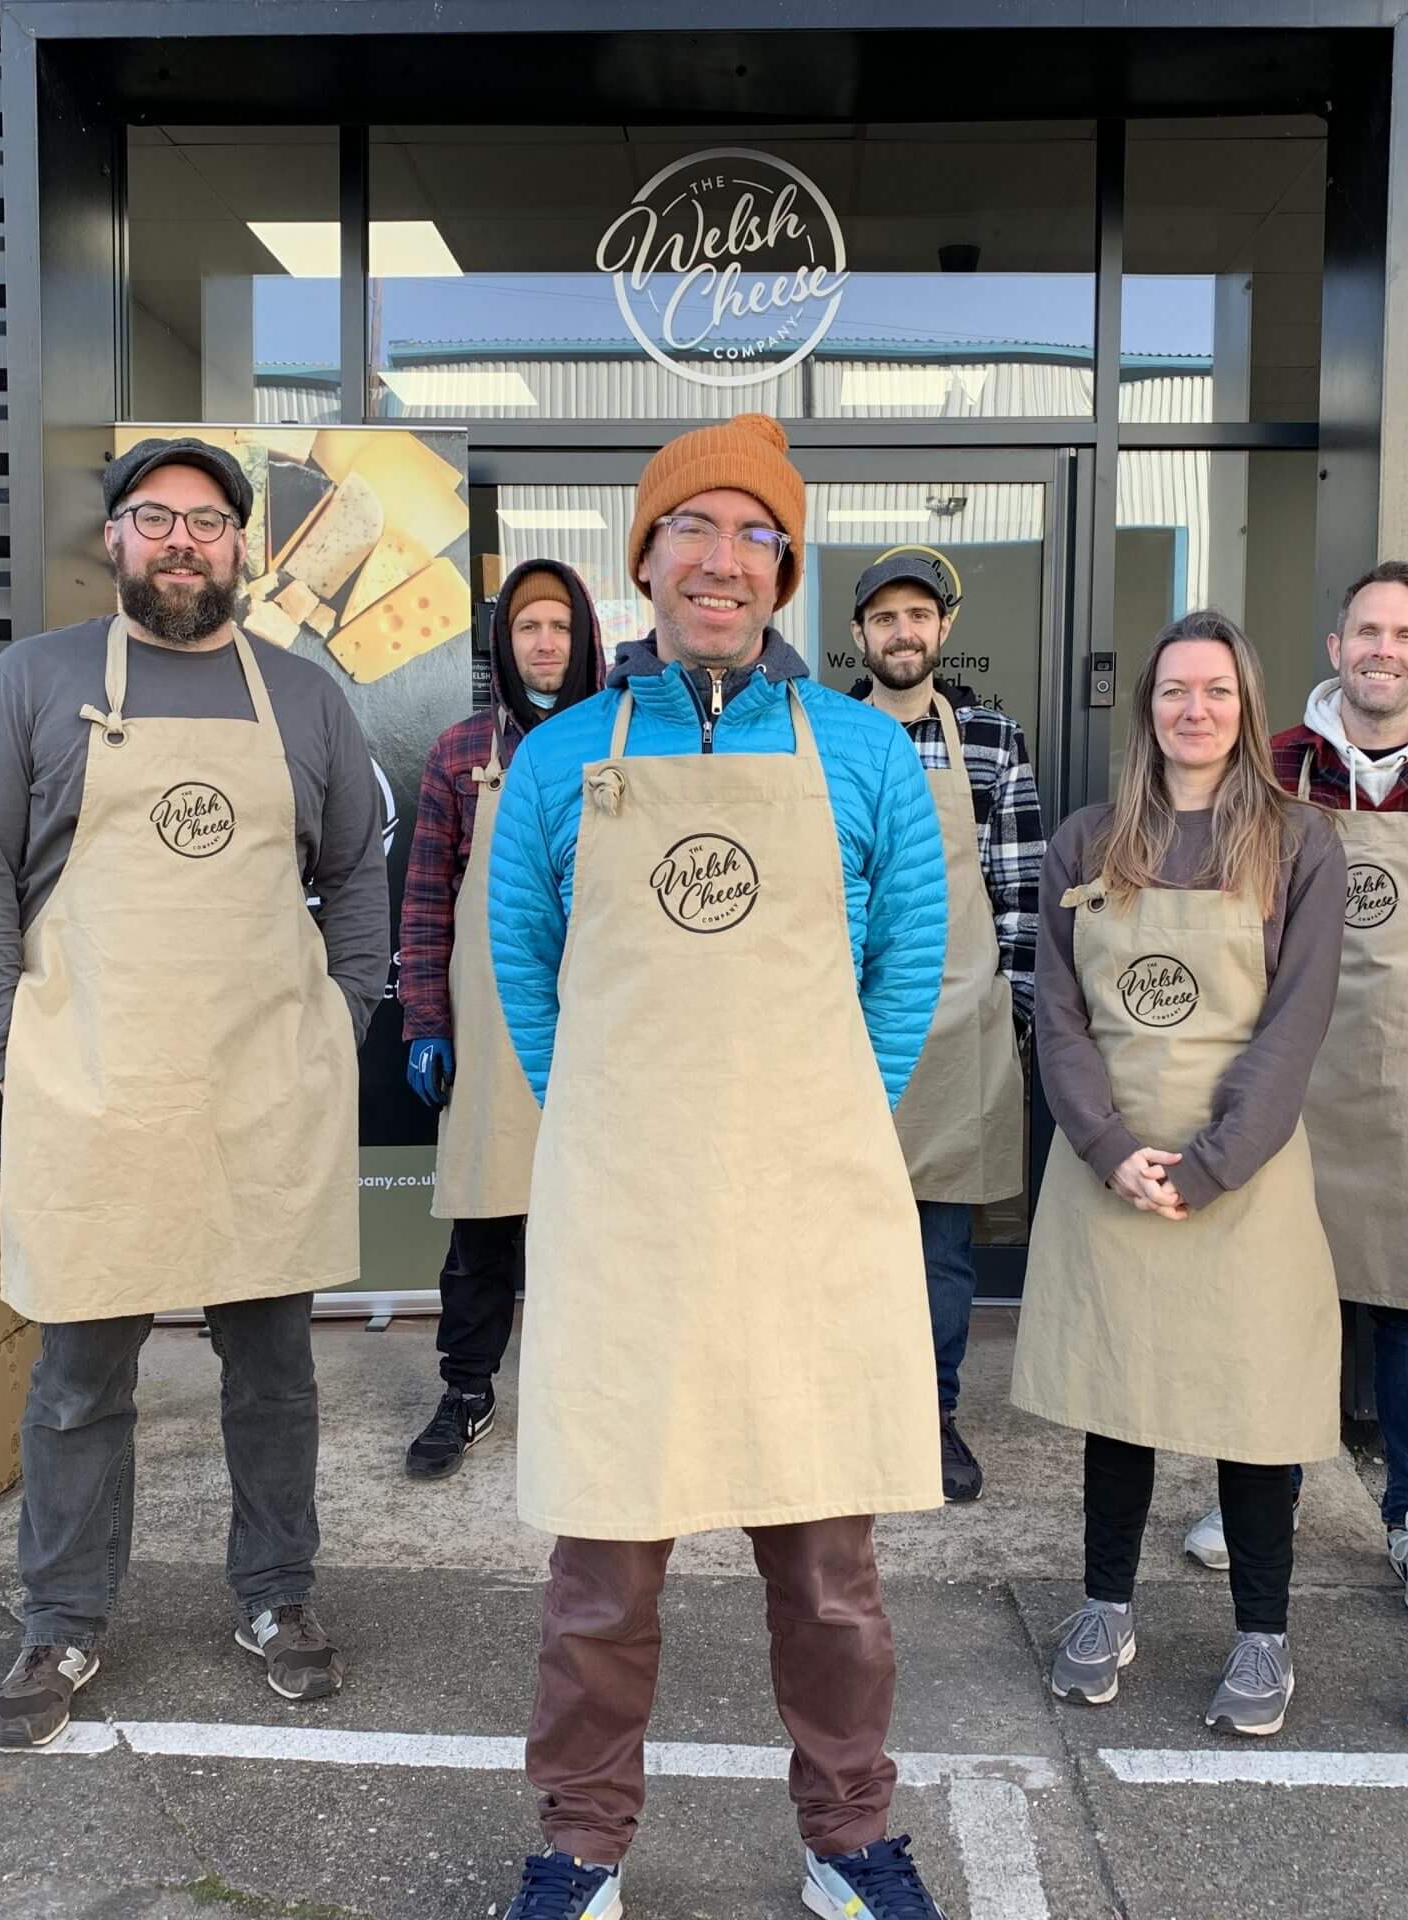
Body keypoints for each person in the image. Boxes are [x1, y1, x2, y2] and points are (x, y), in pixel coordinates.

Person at [483, 415, 955, 1919]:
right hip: (626, 1219)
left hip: (806, 1208)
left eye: (757, 535)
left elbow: (909, 959)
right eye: (694, 529)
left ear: (784, 574)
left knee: (828, 1573)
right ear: (646, 558)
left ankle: (848, 1836)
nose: (723, 560)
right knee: (602, 1575)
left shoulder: (862, 753)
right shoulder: (562, 756)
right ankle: (580, 1846)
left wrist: (832, 1115)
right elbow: (524, 962)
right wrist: (606, 1119)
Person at [0, 437, 390, 1749]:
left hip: (262, 1092)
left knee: (274, 1374)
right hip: (95, 1088)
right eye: (154, 517)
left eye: (206, 520)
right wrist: (7, 1043)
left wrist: (340, 1020)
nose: (181, 540)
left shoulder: (304, 698)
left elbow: (356, 869)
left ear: (241, 546)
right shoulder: (33, 683)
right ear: (116, 540)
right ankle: (62, 1619)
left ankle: (277, 1596)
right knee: (79, 1377)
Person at [1014, 610, 1345, 1736]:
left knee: (1253, 1410)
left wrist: (1210, 1166)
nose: (1192, 710)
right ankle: (1106, 1606)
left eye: (1214, 691)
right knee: (1120, 1398)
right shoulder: (1088, 840)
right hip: (1110, 1165)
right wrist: (1108, 1147)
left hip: (1243, 1172)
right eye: (1172, 691)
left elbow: (1295, 1023)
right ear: (1145, 708)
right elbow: (1059, 1015)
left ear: (1246, 706)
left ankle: (1262, 1634)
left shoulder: (1298, 843)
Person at [1181, 561, 1408, 1618]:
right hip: (1292, 1065)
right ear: (1336, 648)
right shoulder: (1274, 763)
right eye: (1366, 631)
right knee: (1278, 1289)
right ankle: (1261, 1495)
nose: (1383, 650)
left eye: (1405, 634)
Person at [397, 558, 603, 1478]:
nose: (545, 643)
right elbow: (426, 900)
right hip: (489, 1022)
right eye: (528, 627)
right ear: (504, 643)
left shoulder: (628, 741)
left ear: (585, 636)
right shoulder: (459, 753)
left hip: (603, 1019)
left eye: (560, 625)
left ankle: (592, 1393)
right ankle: (467, 1388)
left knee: (596, 1216)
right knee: (484, 1219)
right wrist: (425, 1020)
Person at [847, 550, 1043, 1504]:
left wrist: (1012, 1012)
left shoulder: (993, 741)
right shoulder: (824, 735)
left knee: (940, 1250)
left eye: (918, 615)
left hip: (958, 1026)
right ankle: (847, 1417)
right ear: (859, 635)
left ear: (944, 629)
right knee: (839, 1238)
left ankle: (932, 1415)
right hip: (844, 1035)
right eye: (885, 617)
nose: (903, 632)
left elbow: (1020, 888)